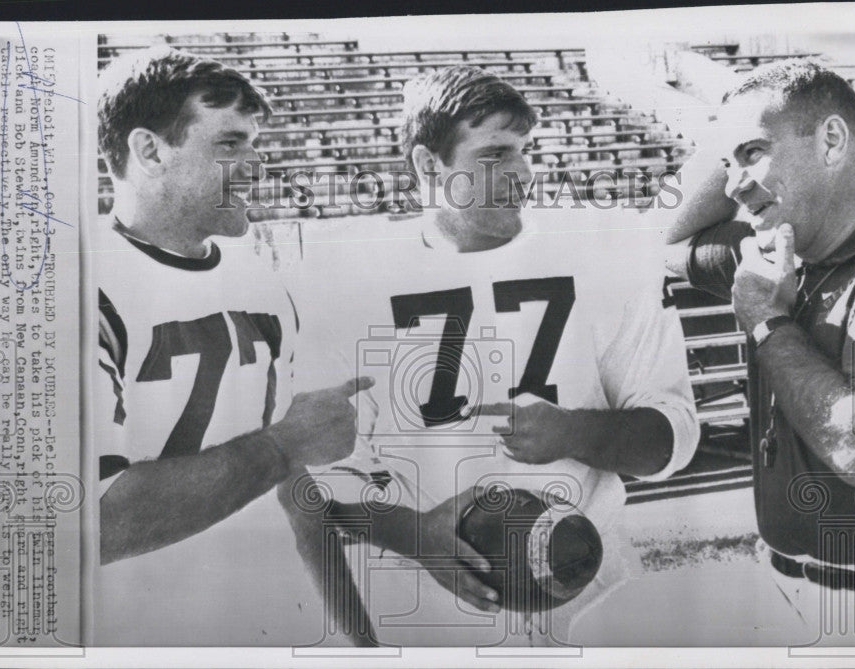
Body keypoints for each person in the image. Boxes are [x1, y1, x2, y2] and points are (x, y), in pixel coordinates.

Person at [295, 65, 700, 647]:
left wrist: (573, 432)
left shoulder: (602, 253)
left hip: (591, 587)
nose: (521, 174)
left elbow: (676, 436)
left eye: (524, 152)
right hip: (436, 607)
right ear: (428, 165)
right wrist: (415, 534)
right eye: (494, 156)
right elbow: (317, 477)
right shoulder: (353, 282)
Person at [92, 47, 373, 646]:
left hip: (272, 625)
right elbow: (93, 522)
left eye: (253, 145)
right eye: (229, 145)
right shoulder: (73, 287)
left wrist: (362, 642)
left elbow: (294, 494)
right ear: (149, 151)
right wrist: (281, 445)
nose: (255, 166)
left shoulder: (262, 280)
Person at [664, 59, 855, 647]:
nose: (731, 184)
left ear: (832, 140)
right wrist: (728, 124)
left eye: (753, 152)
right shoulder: (773, 249)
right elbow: (665, 239)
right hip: (779, 580)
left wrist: (767, 319)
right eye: (727, 164)